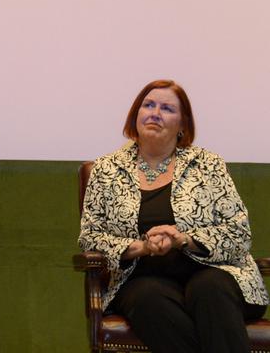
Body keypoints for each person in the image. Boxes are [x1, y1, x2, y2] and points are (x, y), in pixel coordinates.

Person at [78, 79, 268, 353]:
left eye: (167, 108)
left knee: (208, 289)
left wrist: (184, 240)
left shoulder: (208, 165)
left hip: (216, 273)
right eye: (149, 105)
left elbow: (239, 233)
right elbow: (90, 237)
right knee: (147, 298)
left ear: (182, 125)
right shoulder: (106, 169)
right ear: (136, 114)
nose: (155, 113)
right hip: (143, 278)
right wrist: (142, 247)